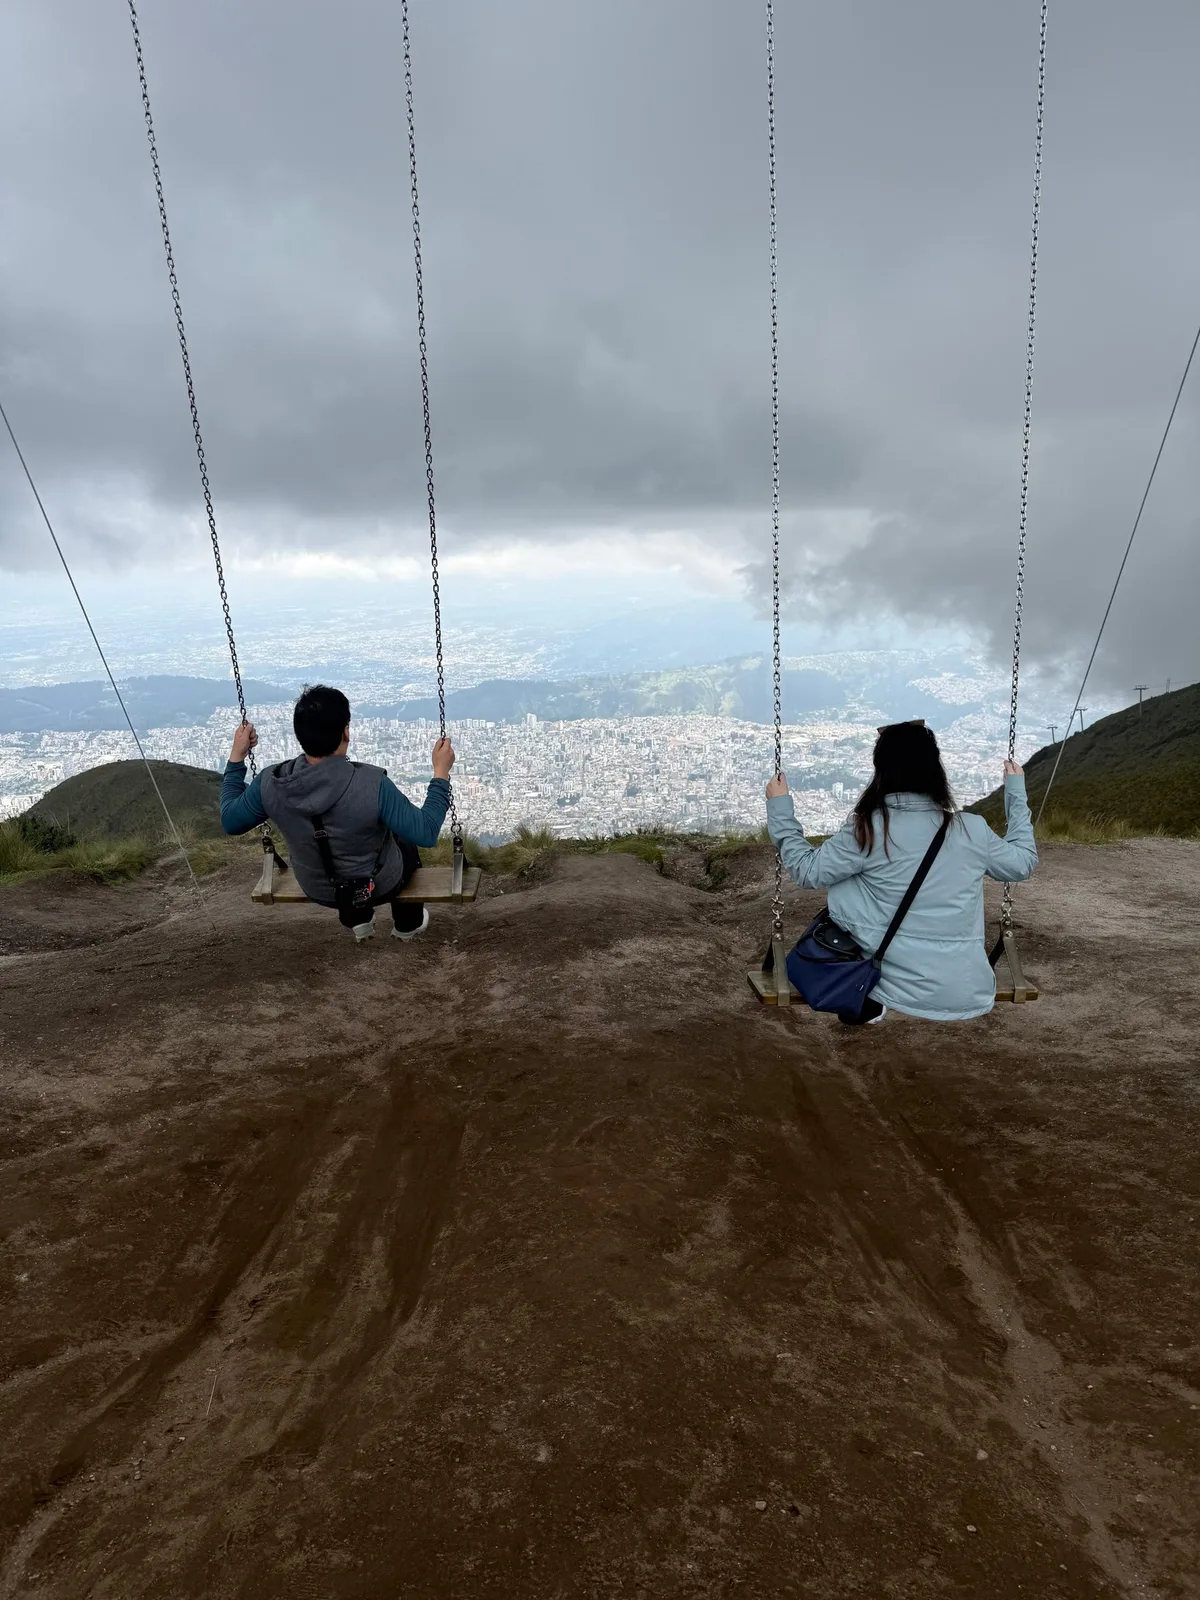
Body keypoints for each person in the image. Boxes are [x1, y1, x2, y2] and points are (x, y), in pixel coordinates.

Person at [764, 721, 1037, 1023]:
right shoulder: (973, 830)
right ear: (936, 771)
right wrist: (1016, 793)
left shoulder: (868, 830)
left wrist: (779, 807)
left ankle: (862, 993)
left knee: (851, 878)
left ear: (881, 772)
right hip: (966, 989)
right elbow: (1022, 862)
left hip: (891, 986)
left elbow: (806, 871)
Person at [220, 683, 455, 943]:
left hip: (317, 887)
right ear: (346, 732)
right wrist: (441, 773)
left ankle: (358, 921)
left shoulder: (270, 783)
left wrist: (236, 757)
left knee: (332, 849)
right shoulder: (372, 784)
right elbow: (427, 832)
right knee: (405, 842)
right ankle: (407, 925)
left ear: (300, 734)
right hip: (379, 885)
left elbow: (231, 820)